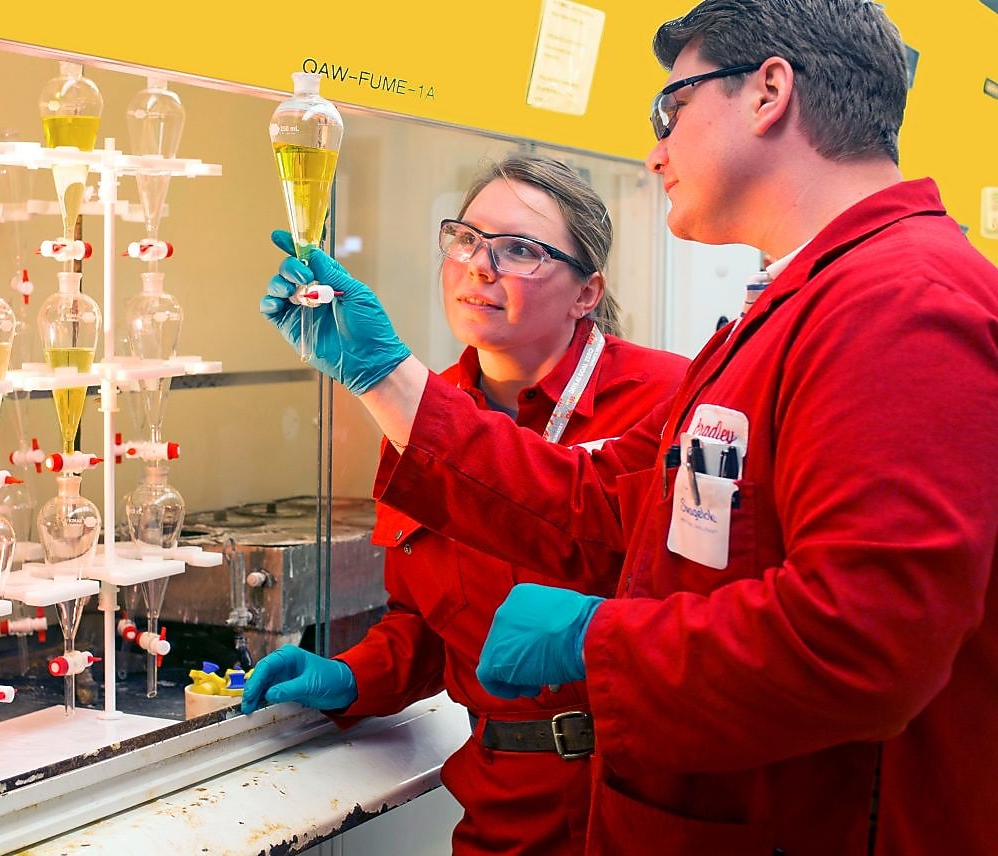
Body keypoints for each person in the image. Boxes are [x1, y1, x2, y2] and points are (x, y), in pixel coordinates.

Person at [255, 1, 998, 854]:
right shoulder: (799, 310)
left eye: (669, 110)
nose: (655, 150)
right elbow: (605, 503)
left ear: (769, 92)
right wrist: (386, 377)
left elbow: (863, 640)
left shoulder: (901, 305)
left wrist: (593, 637)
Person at [243, 155, 689, 855]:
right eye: (466, 239)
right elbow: (429, 621)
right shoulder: (424, 411)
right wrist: (353, 674)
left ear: (586, 292)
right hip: (502, 802)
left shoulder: (668, 400)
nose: (481, 267)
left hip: (642, 797)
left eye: (519, 250)